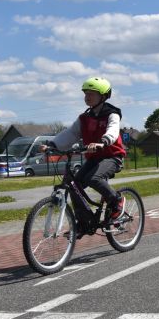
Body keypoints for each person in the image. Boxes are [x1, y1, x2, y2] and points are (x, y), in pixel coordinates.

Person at [41, 77, 127, 222]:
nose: (87, 97)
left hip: (112, 156)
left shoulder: (112, 114)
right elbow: (71, 134)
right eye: (85, 94)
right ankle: (84, 221)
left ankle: (116, 201)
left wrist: (103, 142)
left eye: (91, 94)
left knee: (93, 178)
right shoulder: (84, 118)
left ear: (103, 96)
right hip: (93, 158)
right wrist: (52, 145)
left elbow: (112, 130)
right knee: (75, 186)